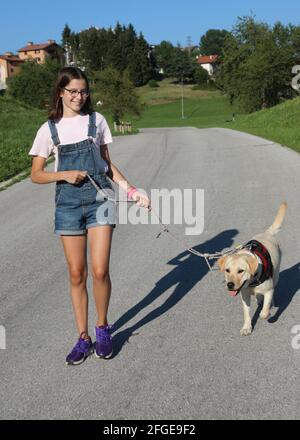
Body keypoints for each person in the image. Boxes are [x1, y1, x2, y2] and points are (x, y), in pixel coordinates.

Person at [29, 67, 150, 365]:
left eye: (83, 91)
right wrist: (65, 173)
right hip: (68, 206)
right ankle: (82, 337)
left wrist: (132, 191)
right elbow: (36, 174)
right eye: (72, 91)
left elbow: (107, 165)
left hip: (100, 201)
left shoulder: (97, 122)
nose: (79, 97)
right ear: (60, 92)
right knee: (76, 274)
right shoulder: (49, 129)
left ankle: (102, 328)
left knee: (99, 271)